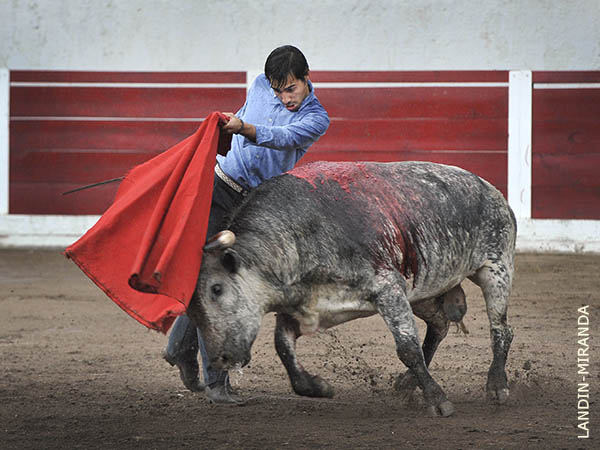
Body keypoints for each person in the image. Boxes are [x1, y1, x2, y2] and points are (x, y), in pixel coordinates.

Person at [162, 45, 330, 404]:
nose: (284, 97)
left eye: (290, 89)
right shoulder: (258, 86)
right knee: (215, 280)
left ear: (306, 78)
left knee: (221, 283)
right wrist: (224, 127)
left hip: (254, 207)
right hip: (219, 187)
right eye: (277, 90)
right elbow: (240, 119)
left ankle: (179, 348)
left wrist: (245, 127)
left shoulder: (317, 118)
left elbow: (282, 137)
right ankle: (215, 381)